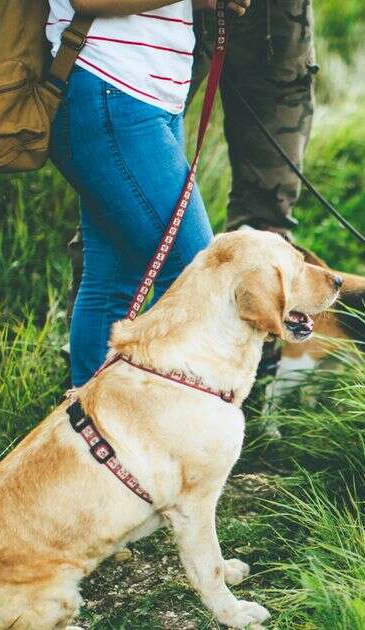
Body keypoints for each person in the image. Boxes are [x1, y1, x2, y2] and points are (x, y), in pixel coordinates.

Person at [50, 0, 316, 387]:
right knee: (196, 276)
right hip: (113, 87)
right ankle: (150, 417)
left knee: (114, 280)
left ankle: (90, 423)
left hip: (144, 94)